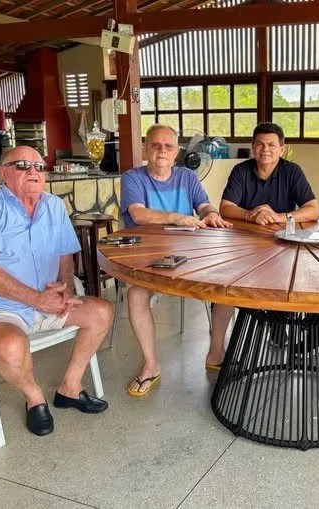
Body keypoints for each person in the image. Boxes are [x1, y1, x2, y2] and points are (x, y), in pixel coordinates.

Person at [0, 146, 113, 437]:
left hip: (48, 302)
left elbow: (65, 255)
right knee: (11, 347)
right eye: (22, 165)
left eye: (39, 167)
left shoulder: (53, 206)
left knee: (101, 312)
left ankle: (70, 388)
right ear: (3, 173)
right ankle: (34, 397)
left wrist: (65, 287)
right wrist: (36, 299)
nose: (33, 172)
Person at [120, 124, 232, 397]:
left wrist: (211, 213)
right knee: (136, 294)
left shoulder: (187, 176)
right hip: (148, 257)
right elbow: (138, 214)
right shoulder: (132, 177)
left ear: (176, 152)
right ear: (145, 149)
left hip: (188, 255)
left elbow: (203, 205)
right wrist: (176, 217)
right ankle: (151, 365)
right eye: (155, 145)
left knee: (228, 284)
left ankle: (216, 352)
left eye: (168, 146)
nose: (162, 151)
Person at [214, 122, 319, 347]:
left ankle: (277, 322)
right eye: (260, 144)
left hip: (282, 243)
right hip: (243, 245)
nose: (265, 150)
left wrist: (278, 216)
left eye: (271, 145)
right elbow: (226, 208)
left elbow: (313, 209)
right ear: (253, 146)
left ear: (282, 148)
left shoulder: (292, 171)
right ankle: (239, 332)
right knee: (225, 282)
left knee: (296, 276)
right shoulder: (241, 171)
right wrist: (251, 215)